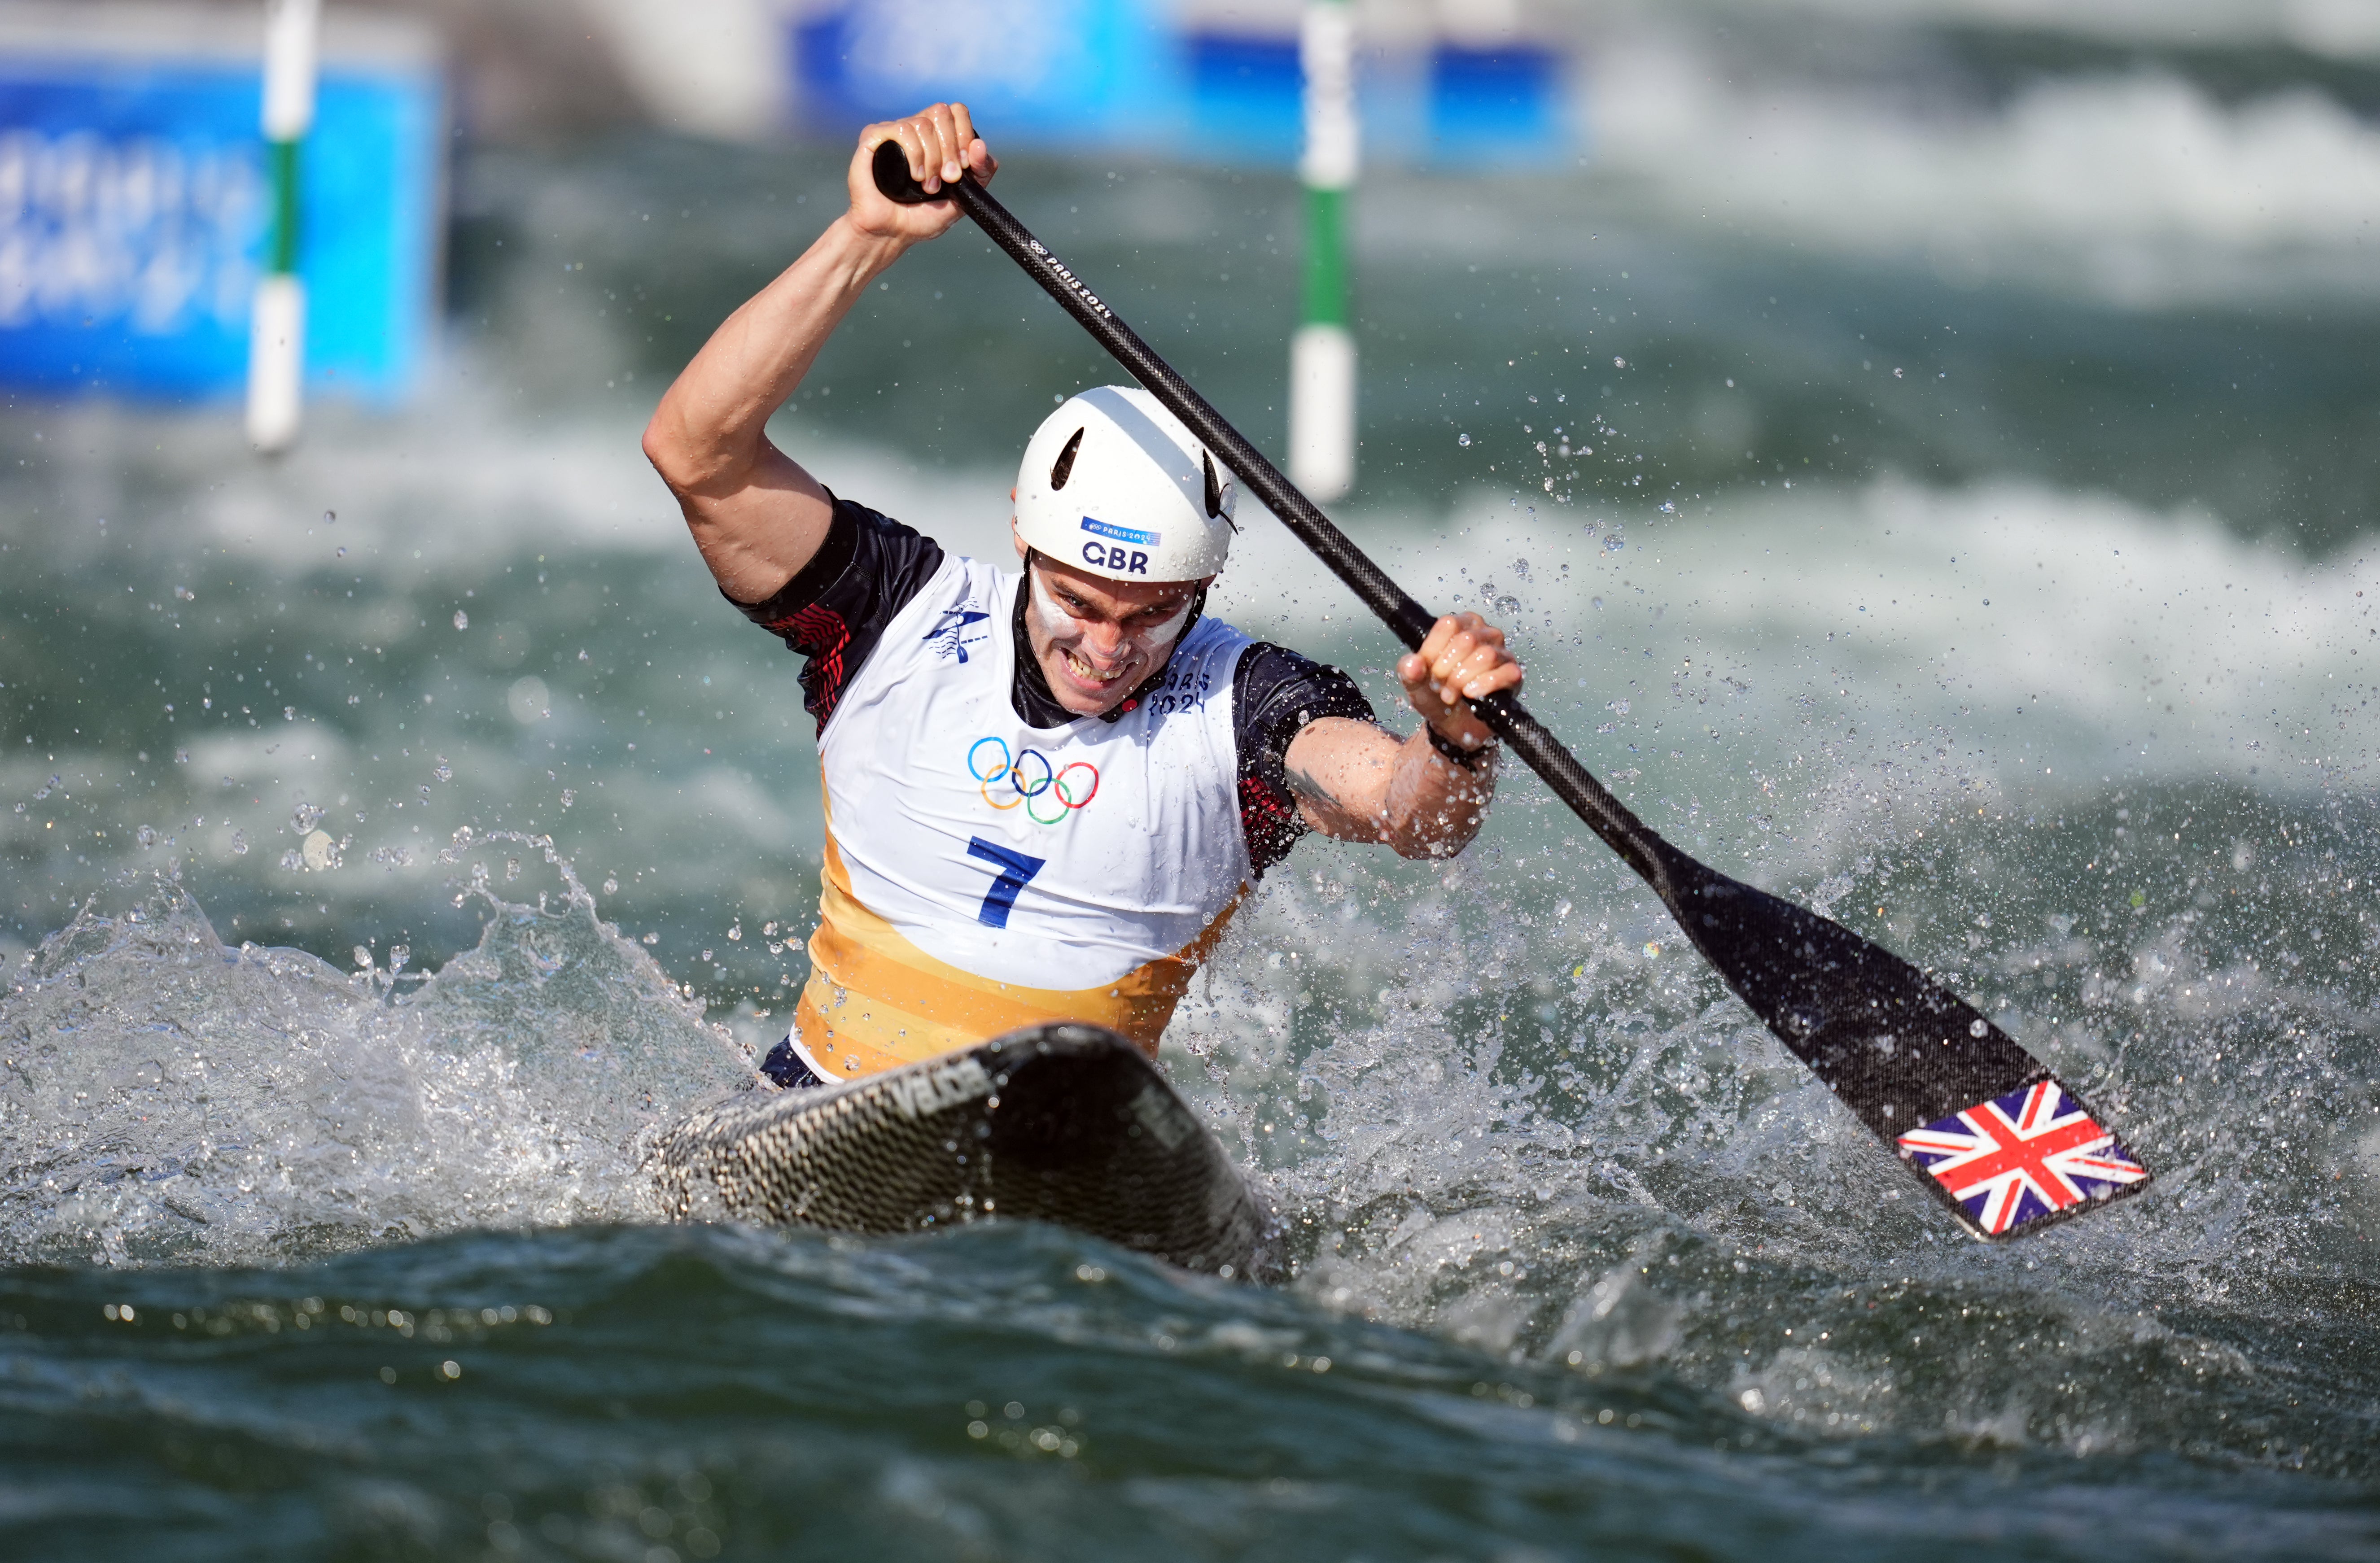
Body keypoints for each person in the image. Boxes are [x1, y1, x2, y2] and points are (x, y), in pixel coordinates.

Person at [643, 104, 1523, 1090]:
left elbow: (1415, 818)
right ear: (1023, 530)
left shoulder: (1252, 707)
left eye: (1153, 613)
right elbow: (698, 453)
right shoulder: (890, 609)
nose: (1109, 647)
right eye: (1078, 601)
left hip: (1068, 1147)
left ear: (1206, 581)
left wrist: (1452, 739)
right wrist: (868, 236)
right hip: (815, 1103)